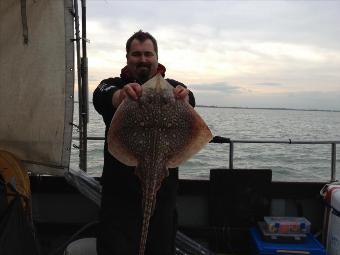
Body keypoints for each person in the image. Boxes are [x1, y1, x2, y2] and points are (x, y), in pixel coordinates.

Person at [93, 30, 196, 255]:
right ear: (127, 58)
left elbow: (191, 100)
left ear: (157, 57)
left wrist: (185, 99)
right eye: (136, 54)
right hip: (119, 197)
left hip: (163, 194)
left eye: (148, 54)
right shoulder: (112, 84)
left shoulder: (173, 87)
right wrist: (121, 97)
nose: (142, 59)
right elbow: (101, 96)